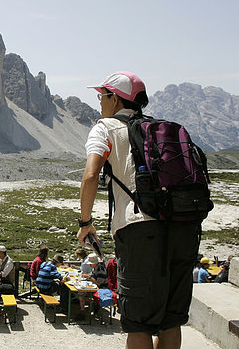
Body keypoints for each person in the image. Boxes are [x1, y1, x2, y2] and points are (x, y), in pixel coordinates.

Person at [78, 71, 200, 349]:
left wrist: (86, 222)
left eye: (102, 95)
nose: (99, 101)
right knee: (171, 320)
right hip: (183, 227)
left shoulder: (105, 127)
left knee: (138, 323)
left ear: (116, 99)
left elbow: (90, 175)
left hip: (140, 229)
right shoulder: (160, 129)